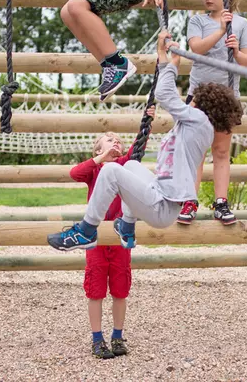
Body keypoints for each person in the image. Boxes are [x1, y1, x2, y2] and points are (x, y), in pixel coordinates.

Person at [47, 30, 243, 251]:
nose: (188, 102)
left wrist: (171, 65)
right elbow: (166, 94)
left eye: (193, 100)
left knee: (110, 171)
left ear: (201, 106)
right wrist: (164, 59)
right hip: (161, 196)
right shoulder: (196, 124)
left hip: (162, 208)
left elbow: (164, 94)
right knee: (130, 165)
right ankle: (127, 227)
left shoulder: (198, 120)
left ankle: (86, 231)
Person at [70, 107, 155, 359]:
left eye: (118, 140)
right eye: (109, 139)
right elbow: (75, 173)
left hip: (119, 239)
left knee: (120, 291)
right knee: (95, 291)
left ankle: (117, 335)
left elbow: (137, 147)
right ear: (98, 150)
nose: (115, 141)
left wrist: (147, 120)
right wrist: (101, 158)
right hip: (96, 241)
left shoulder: (123, 166)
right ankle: (97, 339)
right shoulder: (94, 170)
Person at [177, 0, 247, 225]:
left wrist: (235, 50)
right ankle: (190, 200)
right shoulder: (197, 21)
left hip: (226, 96)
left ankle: (221, 203)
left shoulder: (241, 24)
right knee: (196, 152)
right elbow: (196, 50)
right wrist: (221, 30)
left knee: (221, 151)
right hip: (200, 96)